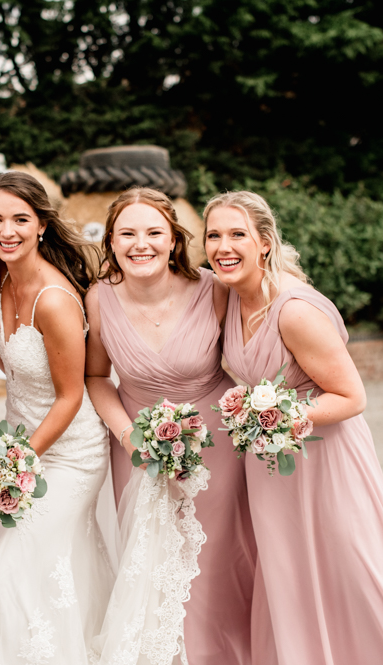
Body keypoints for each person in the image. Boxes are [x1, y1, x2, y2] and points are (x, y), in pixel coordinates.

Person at [206, 191, 383, 665]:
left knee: (353, 569)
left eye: (237, 234)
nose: (223, 247)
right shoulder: (230, 299)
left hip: (327, 457)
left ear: (265, 243)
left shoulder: (294, 310)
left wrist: (271, 413)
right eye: (214, 236)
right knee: (287, 573)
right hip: (270, 463)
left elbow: (352, 396)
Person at [84, 187, 256, 664]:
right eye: (127, 234)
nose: (141, 244)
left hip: (215, 445)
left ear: (174, 239)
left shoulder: (214, 289)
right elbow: (96, 377)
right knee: (151, 567)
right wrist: (129, 438)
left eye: (154, 232)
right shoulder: (98, 298)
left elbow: (254, 346)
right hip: (136, 446)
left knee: (215, 564)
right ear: (111, 242)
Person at [0, 170, 113, 665]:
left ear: (42, 226)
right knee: (43, 576)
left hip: (70, 455)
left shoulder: (53, 300)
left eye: (20, 219)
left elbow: (71, 396)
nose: (6, 231)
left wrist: (15, 463)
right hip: (23, 449)